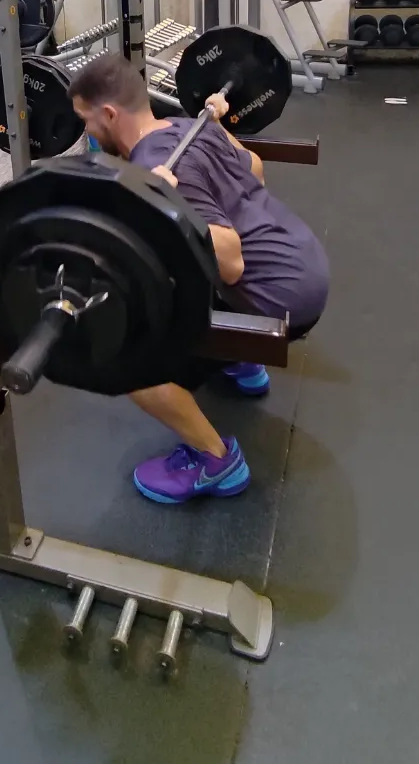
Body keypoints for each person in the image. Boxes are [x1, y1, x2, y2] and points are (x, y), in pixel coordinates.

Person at [68, 54, 329, 505]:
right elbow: (255, 170)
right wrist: (219, 127)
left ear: (109, 114)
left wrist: (163, 200)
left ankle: (215, 460)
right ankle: (239, 363)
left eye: (85, 122)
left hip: (276, 296)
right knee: (171, 262)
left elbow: (229, 263)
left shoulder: (159, 162)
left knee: (119, 348)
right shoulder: (188, 126)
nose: (86, 135)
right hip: (303, 263)